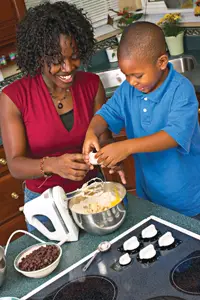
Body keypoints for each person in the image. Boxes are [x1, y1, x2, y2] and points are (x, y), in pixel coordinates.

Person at [0, 1, 124, 231]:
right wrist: (54, 165)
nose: (67, 68)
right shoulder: (13, 97)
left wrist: (110, 156)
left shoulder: (91, 84)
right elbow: (16, 165)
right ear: (39, 56)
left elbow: (103, 137)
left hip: (94, 197)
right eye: (57, 60)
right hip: (46, 207)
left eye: (74, 56)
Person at [83, 21, 200, 218]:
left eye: (137, 75)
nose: (131, 81)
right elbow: (106, 113)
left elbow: (173, 135)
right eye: (126, 75)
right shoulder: (129, 89)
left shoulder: (181, 90)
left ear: (161, 62)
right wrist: (91, 132)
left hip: (186, 197)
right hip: (150, 195)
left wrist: (126, 147)